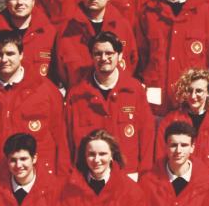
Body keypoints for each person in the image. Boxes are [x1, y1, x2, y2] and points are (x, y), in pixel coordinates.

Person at [0, 30, 68, 176]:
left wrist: (61, 177)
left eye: (10, 54)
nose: (4, 59)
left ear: (21, 55)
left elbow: (61, 140)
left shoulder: (45, 91)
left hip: (36, 178)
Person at [64, 31, 156, 176]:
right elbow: (66, 141)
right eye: (98, 54)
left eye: (109, 53)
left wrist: (144, 175)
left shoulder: (135, 90)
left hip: (127, 174)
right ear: (91, 56)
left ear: (120, 56)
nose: (103, 58)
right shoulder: (77, 95)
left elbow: (147, 136)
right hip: (89, 175)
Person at [136, 0, 209, 109]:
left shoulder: (203, 10)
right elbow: (141, 54)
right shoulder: (148, 12)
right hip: (158, 91)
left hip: (191, 94)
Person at [54, 0, 138, 89]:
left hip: (117, 93)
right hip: (79, 95)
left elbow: (132, 60)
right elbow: (59, 67)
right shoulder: (67, 29)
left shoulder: (122, 26)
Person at [159, 68, 209, 178]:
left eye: (199, 91)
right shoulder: (170, 121)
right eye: (189, 90)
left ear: (208, 92)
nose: (193, 96)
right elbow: (160, 159)